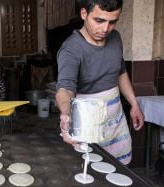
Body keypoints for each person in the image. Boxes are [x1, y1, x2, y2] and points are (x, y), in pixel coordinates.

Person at [56, 0, 144, 165]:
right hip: (88, 126)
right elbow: (65, 89)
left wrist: (134, 104)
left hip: (116, 124)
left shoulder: (115, 37)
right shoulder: (71, 49)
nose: (105, 29)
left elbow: (120, 72)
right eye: (99, 20)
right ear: (84, 14)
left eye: (112, 21)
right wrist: (66, 113)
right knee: (93, 174)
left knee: (120, 173)